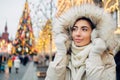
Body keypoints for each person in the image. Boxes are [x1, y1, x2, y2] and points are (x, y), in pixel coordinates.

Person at [45, 4, 119, 80]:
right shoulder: (64, 57)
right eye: (74, 29)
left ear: (94, 33)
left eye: (84, 29)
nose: (77, 34)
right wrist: (61, 52)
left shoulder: (106, 58)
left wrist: (95, 55)